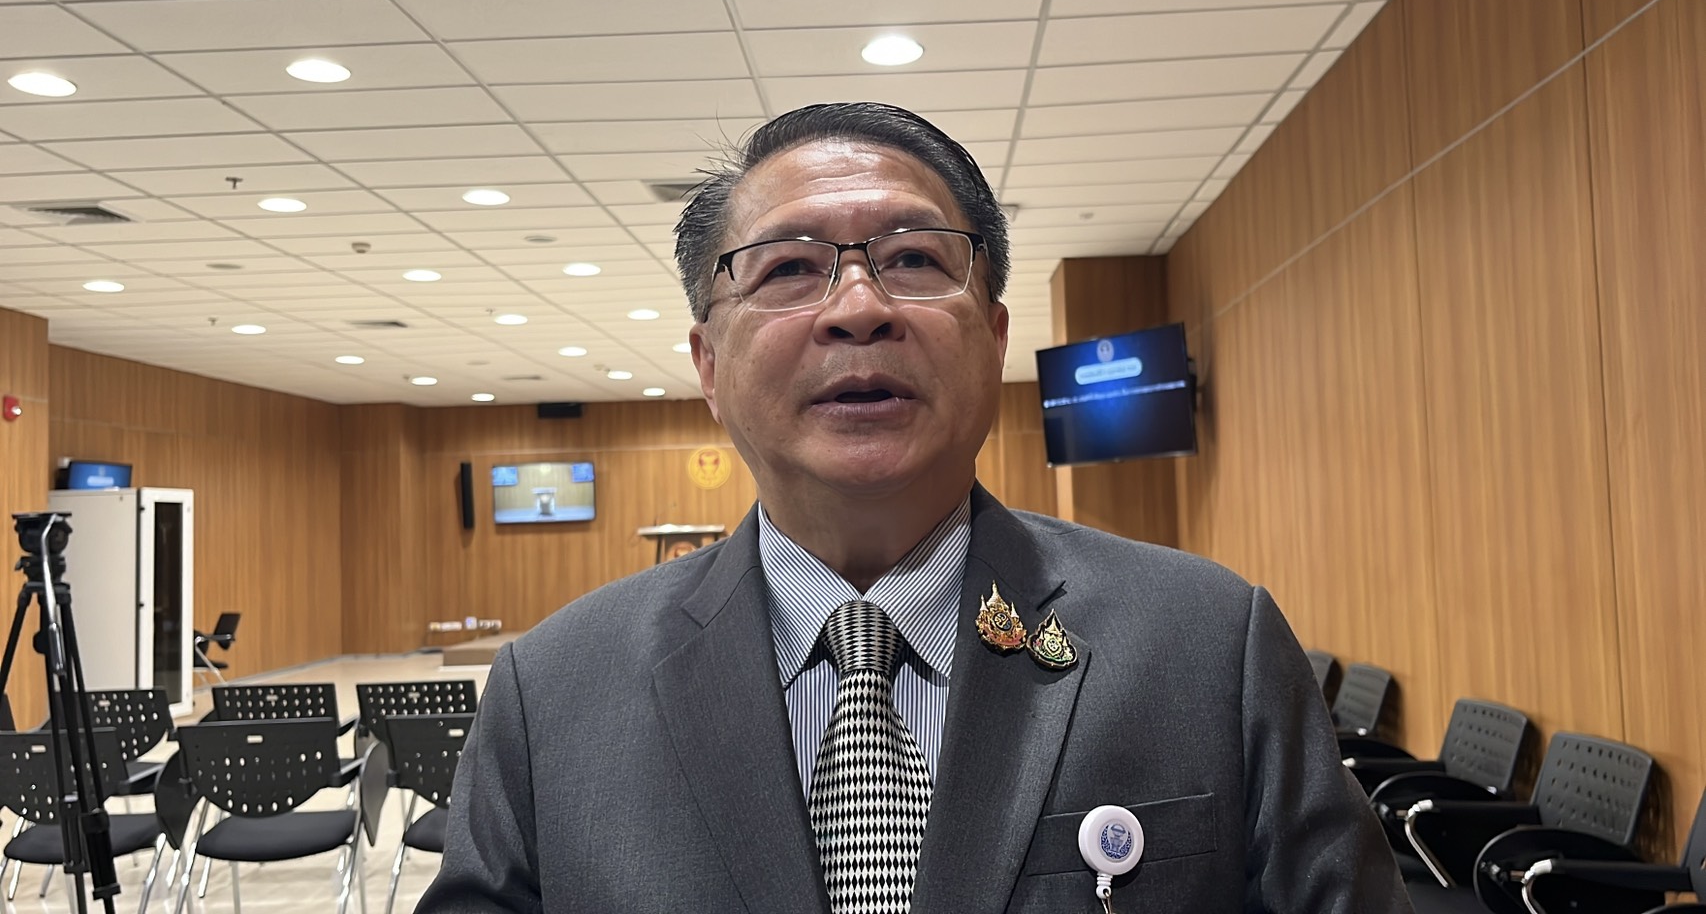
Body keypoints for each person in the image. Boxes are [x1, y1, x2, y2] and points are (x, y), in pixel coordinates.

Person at [418, 102, 1412, 913]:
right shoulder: (552, 695)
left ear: (992, 336)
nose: (858, 307)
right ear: (709, 365)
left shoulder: (1208, 646)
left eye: (914, 260)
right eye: (789, 268)